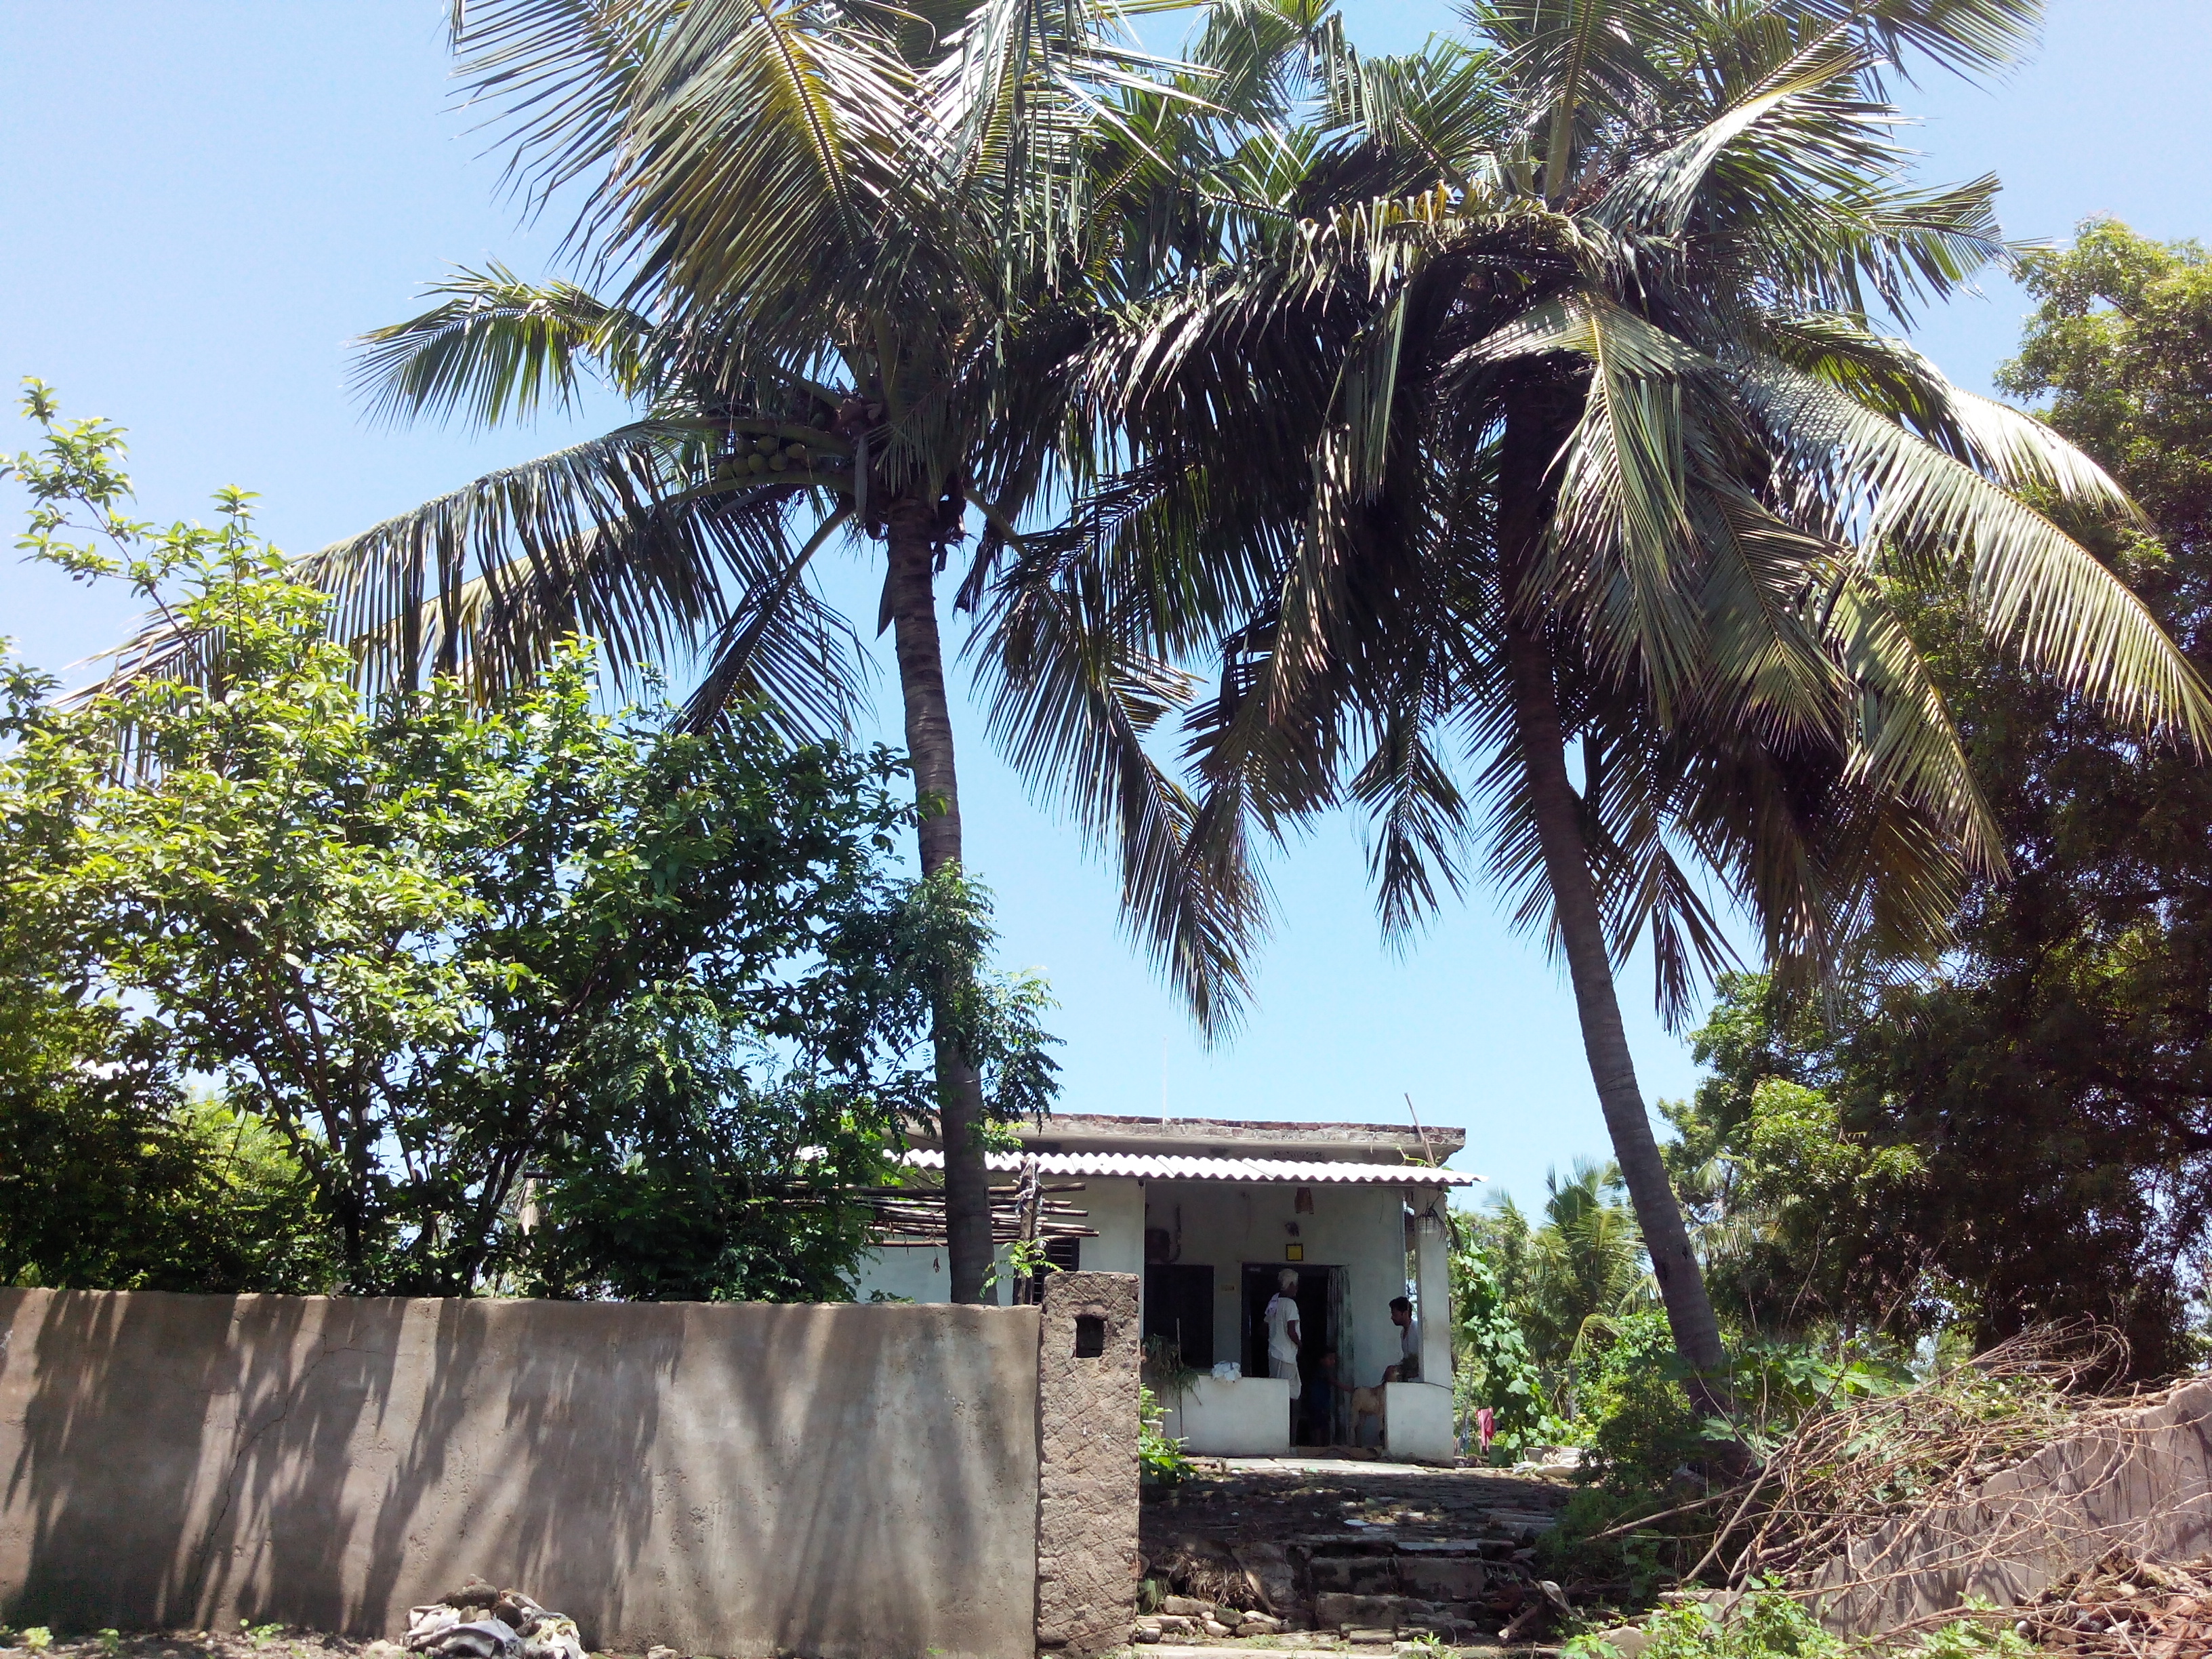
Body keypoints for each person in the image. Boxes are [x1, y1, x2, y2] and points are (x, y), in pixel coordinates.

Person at [1264, 1269, 1302, 1435]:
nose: (1297, 1289)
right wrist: (1301, 1346)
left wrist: (1273, 1336)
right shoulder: (1290, 1304)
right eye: (1296, 1285)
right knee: (1293, 1395)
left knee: (1277, 1393)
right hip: (1286, 1356)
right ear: (1292, 1284)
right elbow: (1291, 1330)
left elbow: (1263, 1327)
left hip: (1273, 1354)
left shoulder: (1273, 1301)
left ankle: (1276, 1432)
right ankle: (1290, 1437)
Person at [1387, 1294, 1421, 1382]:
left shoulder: (1417, 1329)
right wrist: (1396, 1367)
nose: (1392, 1318)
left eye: (1395, 1314)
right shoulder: (1402, 1333)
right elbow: (1406, 1358)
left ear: (1405, 1313)